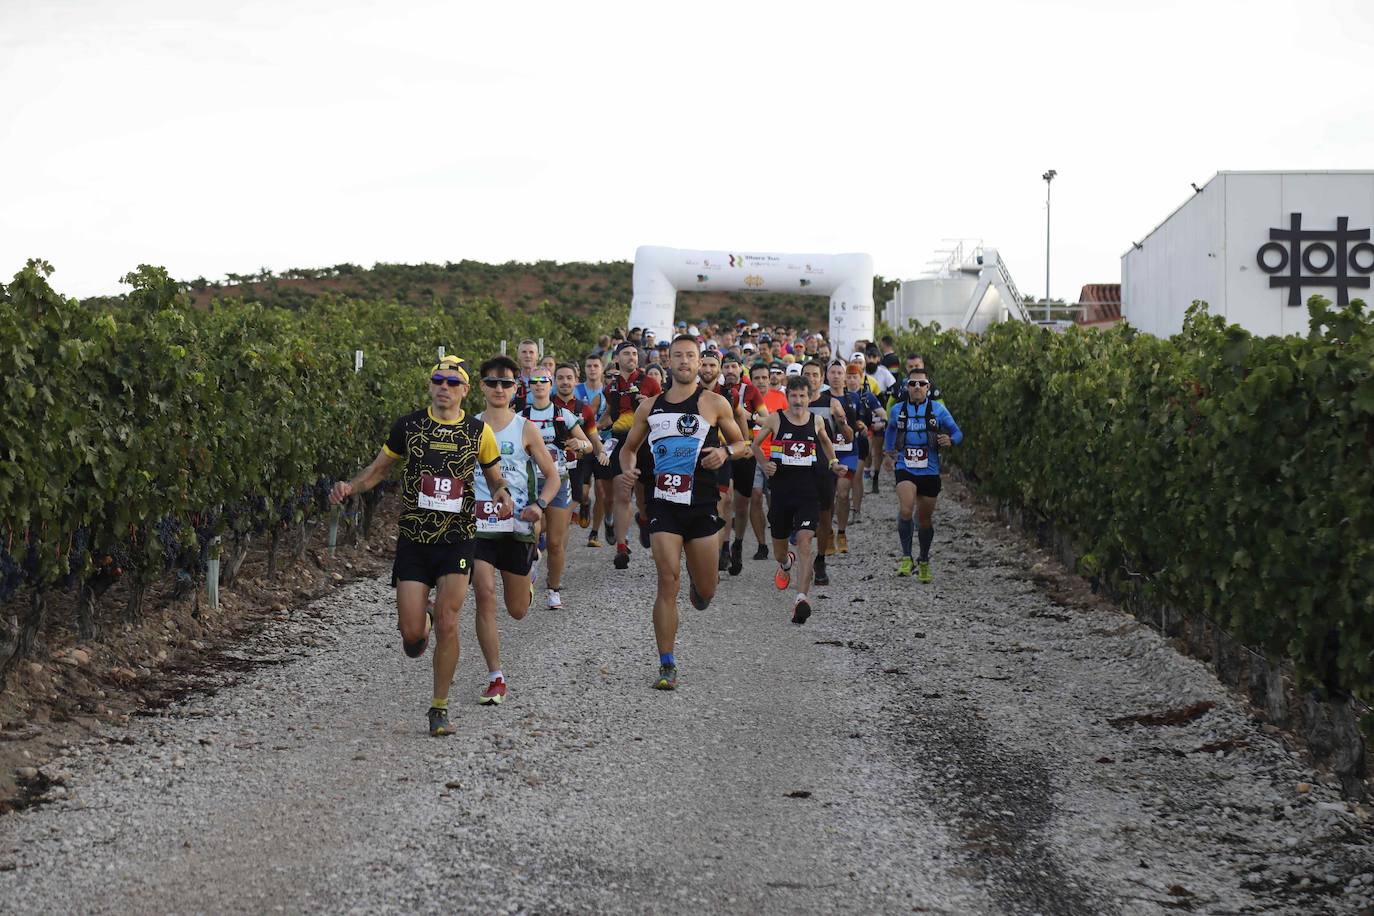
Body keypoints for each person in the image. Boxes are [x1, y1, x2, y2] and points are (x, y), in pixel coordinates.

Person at [329, 356, 511, 736]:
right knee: (412, 636)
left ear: (464, 390)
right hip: (414, 539)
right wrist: (351, 486)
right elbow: (378, 470)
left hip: (458, 538)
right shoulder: (409, 426)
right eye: (437, 380)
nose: (443, 387)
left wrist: (503, 494)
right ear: (430, 386)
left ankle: (439, 707)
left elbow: (495, 478)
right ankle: (419, 623)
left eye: (451, 382)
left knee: (449, 621)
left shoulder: (479, 432)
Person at [618, 335, 748, 690]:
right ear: (669, 361)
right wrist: (628, 469)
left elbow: (743, 442)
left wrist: (727, 454)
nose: (685, 362)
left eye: (691, 356)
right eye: (678, 356)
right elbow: (628, 449)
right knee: (666, 580)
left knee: (706, 590)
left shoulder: (715, 403)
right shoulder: (650, 406)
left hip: (702, 505)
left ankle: (700, 585)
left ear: (701, 361)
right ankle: (667, 662)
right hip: (663, 504)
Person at [466, 356, 562, 705]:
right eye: (492, 383)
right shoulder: (469, 427)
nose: (498, 389)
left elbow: (551, 476)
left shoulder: (525, 428)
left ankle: (530, 575)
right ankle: (495, 676)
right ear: (481, 386)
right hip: (477, 526)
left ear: (514, 388)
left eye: (505, 384)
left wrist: (539, 506)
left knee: (518, 609)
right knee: (484, 595)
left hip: (518, 527)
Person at [751, 375, 843, 624]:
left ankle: (801, 598)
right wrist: (764, 462)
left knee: (805, 542)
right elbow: (755, 444)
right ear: (787, 396)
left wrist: (834, 463)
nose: (798, 400)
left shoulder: (817, 421)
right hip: (781, 492)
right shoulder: (776, 419)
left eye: (803, 396)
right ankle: (785, 563)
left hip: (808, 492)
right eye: (794, 395)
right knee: (780, 552)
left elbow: (826, 443)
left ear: (809, 397)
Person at [525, 369, 602, 610]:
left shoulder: (563, 414)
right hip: (529, 482)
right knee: (532, 531)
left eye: (544, 381)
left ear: (551, 386)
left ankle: (553, 589)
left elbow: (588, 445)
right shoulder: (520, 416)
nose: (539, 385)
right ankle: (532, 560)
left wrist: (579, 443)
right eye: (534, 381)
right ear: (529, 386)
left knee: (556, 543)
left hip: (558, 481)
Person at [883, 367, 963, 582]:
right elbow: (890, 429)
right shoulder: (897, 410)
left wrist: (950, 440)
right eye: (912, 384)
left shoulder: (938, 410)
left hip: (929, 469)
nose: (917, 387)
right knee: (906, 509)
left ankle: (924, 559)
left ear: (928, 388)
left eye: (921, 384)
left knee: (925, 520)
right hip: (905, 467)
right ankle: (906, 557)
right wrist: (888, 453)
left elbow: (957, 433)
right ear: (907, 387)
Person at [601, 341, 663, 569]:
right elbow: (610, 414)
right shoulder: (610, 387)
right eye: (626, 353)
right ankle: (621, 547)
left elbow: (661, 410)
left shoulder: (650, 383)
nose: (632, 357)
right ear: (617, 358)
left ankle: (644, 518)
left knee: (645, 493)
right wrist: (594, 426)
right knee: (622, 492)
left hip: (647, 442)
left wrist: (648, 404)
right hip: (620, 441)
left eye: (635, 353)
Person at [802, 360, 850, 585]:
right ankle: (802, 560)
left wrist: (842, 424)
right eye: (807, 374)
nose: (811, 378)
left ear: (822, 379)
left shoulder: (831, 404)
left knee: (823, 519)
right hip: (798, 469)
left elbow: (848, 437)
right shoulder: (792, 402)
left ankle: (819, 561)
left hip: (823, 469)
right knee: (800, 520)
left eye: (815, 375)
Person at [720, 354, 769, 572]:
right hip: (724, 450)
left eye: (733, 366)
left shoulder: (750, 391)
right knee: (726, 498)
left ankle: (738, 543)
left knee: (741, 506)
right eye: (726, 367)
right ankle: (724, 546)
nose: (730, 370)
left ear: (741, 369)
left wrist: (749, 416)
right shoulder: (715, 391)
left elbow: (766, 419)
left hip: (746, 452)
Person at [825, 358, 860, 554]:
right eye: (833, 372)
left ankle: (842, 532)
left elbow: (862, 420)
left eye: (840, 373)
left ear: (845, 377)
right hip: (827, 452)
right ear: (827, 376)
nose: (836, 376)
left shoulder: (853, 399)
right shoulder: (821, 398)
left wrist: (861, 425)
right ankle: (828, 533)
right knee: (829, 496)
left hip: (848, 451)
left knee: (843, 493)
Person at [843, 360, 884, 523]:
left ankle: (856, 511)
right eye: (849, 377)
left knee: (856, 476)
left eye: (855, 377)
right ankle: (841, 508)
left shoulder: (868, 396)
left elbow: (883, 414)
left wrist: (877, 425)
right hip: (841, 441)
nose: (852, 380)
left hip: (861, 440)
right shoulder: (839, 395)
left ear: (861, 378)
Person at [511, 338, 540, 410]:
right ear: (518, 356)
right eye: (524, 352)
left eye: (531, 352)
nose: (528, 355)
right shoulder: (511, 381)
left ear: (537, 356)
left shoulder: (547, 381)